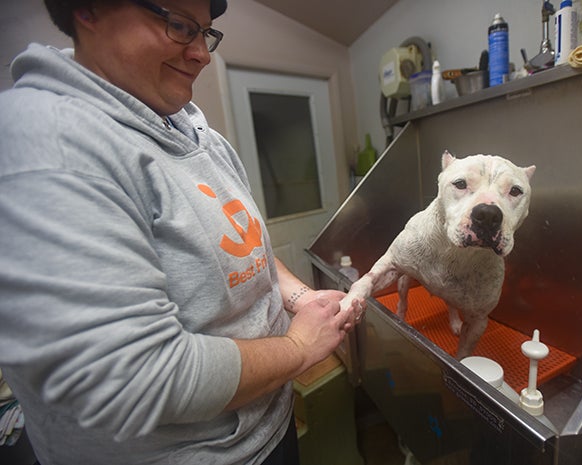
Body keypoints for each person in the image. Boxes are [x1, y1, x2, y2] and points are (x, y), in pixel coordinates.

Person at [0, 0, 364, 464]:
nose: (201, 54)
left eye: (205, 33)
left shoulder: (200, 136)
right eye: (178, 25)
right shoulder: (49, 146)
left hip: (267, 426)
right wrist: (296, 347)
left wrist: (298, 299)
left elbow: (246, 246)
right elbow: (141, 378)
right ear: (87, 9)